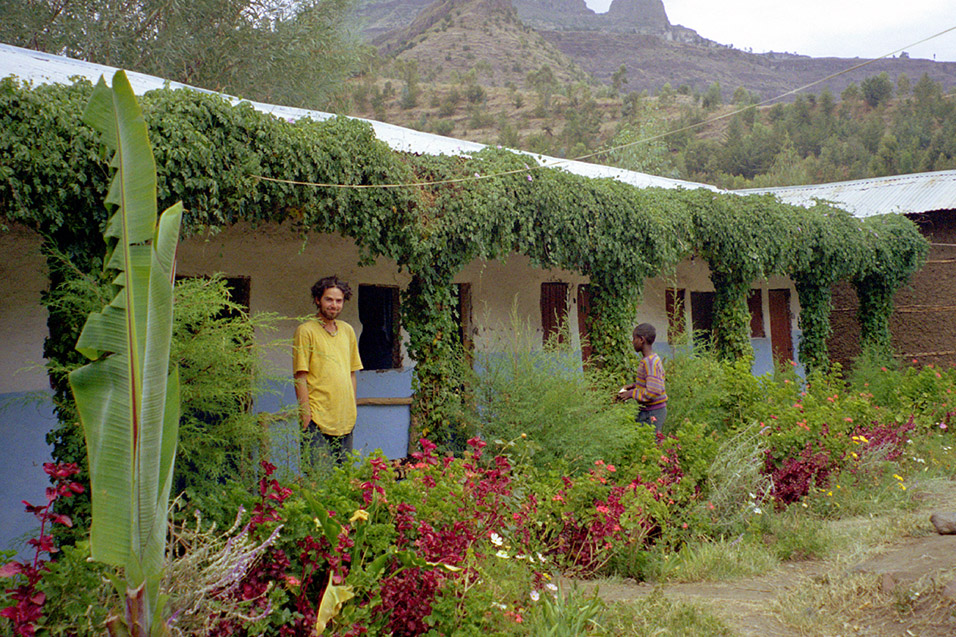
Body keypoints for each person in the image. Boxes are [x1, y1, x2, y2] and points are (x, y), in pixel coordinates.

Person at [294, 276, 363, 469]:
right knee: (318, 482)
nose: (334, 305)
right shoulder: (305, 331)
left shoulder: (347, 331)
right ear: (318, 300)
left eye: (338, 300)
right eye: (329, 299)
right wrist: (306, 417)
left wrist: (352, 409)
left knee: (344, 479)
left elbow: (352, 373)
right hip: (317, 419)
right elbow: (300, 377)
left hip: (345, 419)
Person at [617, 323, 667, 433]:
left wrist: (631, 394)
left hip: (653, 412)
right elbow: (651, 383)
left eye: (634, 338)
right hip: (648, 411)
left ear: (641, 340)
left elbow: (653, 391)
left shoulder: (650, 362)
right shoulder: (650, 359)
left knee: (650, 445)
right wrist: (633, 387)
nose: (632, 342)